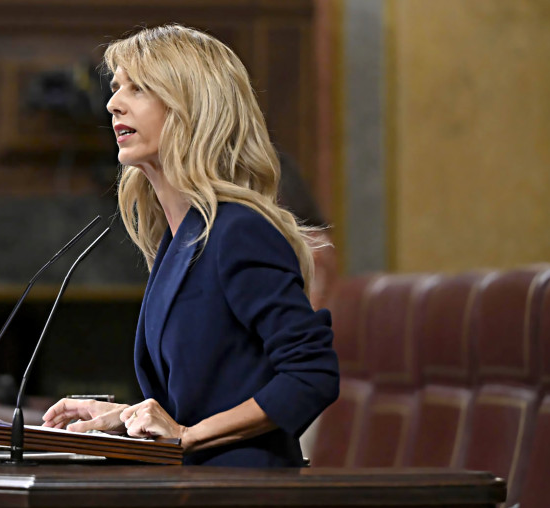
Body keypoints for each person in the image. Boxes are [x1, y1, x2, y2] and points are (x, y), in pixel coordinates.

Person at [41, 25, 339, 467]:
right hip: (192, 491)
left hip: (241, 497)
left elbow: (312, 374)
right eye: (117, 86)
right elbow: (208, 395)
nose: (112, 103)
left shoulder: (238, 230)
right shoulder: (180, 239)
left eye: (138, 88)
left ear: (191, 108)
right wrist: (126, 418)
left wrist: (188, 436)